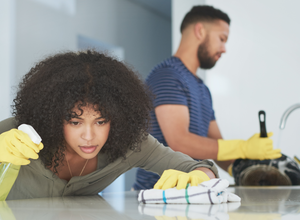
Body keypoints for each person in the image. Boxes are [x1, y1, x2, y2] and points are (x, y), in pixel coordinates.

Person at [0, 50, 219, 200]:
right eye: (75, 121)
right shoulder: (15, 134)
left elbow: (201, 169)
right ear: (54, 117)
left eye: (101, 121)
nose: (89, 136)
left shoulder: (129, 144)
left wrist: (199, 178)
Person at [133, 5, 281, 190]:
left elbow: (218, 150)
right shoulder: (168, 76)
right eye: (222, 39)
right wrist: (242, 147)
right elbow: (179, 142)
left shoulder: (202, 89)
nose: (224, 49)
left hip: (190, 194)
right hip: (157, 195)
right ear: (200, 31)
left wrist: (254, 167)